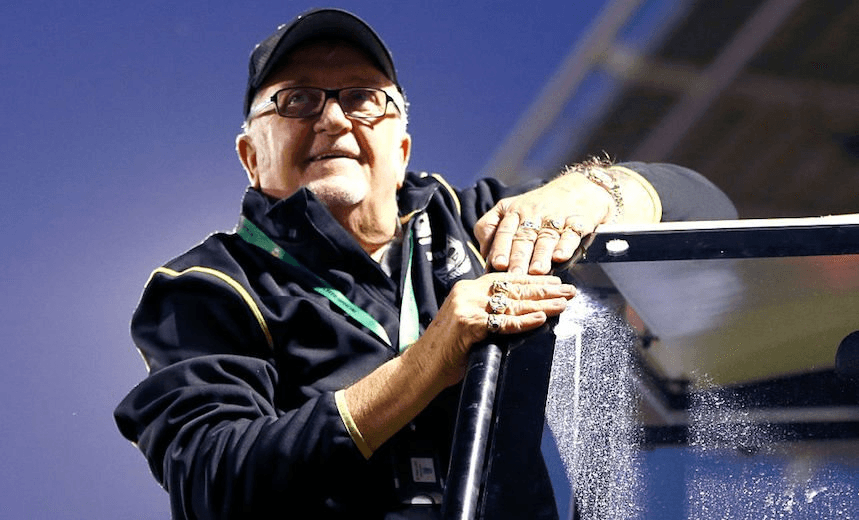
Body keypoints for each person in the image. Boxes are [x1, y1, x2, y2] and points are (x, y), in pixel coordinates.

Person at [115, 8, 736, 519]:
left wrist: (597, 190)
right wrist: (425, 362)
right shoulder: (207, 286)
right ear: (251, 155)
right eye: (297, 100)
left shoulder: (492, 222)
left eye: (363, 99)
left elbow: (713, 216)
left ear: (401, 145)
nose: (333, 119)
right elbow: (210, 479)